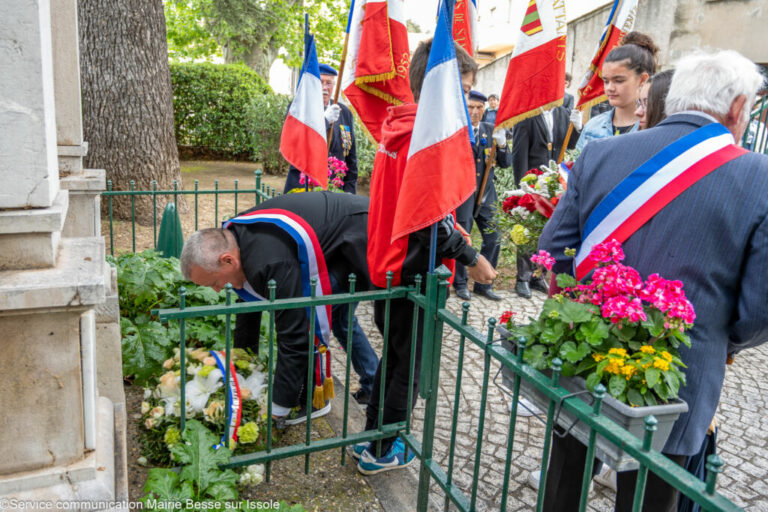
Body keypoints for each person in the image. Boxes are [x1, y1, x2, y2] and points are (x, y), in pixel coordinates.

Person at [538, 49, 768, 511]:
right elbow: (760, 308)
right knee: (651, 499)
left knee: (563, 480)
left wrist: (588, 311)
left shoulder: (602, 154)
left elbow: (555, 249)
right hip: (679, 376)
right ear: (739, 108)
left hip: (587, 352)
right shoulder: (758, 176)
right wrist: (722, 343)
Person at [353, 38, 498, 475]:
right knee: (408, 366)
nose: (470, 98)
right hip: (409, 266)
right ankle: (383, 450)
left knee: (396, 357)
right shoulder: (424, 136)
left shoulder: (402, 124)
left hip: (387, 260)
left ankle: (372, 436)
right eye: (465, 87)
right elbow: (429, 218)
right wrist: (472, 257)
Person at [179, 192, 380, 424]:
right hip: (339, 235)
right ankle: (372, 383)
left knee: (321, 318)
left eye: (214, 282)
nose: (216, 290)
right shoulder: (236, 241)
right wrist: (244, 362)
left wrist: (277, 409)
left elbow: (295, 336)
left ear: (227, 260)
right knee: (340, 320)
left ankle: (313, 398)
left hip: (361, 233)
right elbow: (248, 307)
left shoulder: (268, 261)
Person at [510, 105, 578, 299]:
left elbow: (570, 144)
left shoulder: (562, 113)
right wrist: (522, 187)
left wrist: (577, 127)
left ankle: (538, 275)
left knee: (548, 230)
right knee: (527, 230)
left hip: (553, 181)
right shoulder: (527, 115)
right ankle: (522, 277)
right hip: (532, 181)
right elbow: (519, 152)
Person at [454, 90, 512, 302]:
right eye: (471, 108)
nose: (475, 112)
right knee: (463, 236)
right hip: (464, 194)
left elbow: (506, 164)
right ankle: (460, 283)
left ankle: (483, 283)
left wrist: (503, 144)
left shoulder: (491, 130)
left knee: (494, 236)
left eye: (480, 108)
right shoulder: (458, 132)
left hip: (487, 194)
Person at [283, 64, 359, 194]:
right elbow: (297, 144)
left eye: (329, 83)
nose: (324, 87)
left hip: (335, 191)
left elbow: (351, 158)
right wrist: (325, 121)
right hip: (304, 189)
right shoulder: (299, 109)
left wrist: (349, 192)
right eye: (321, 82)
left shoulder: (344, 112)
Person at [575, 32, 658, 151]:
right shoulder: (593, 126)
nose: (610, 88)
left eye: (619, 80)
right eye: (606, 81)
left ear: (642, 79)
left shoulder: (653, 128)